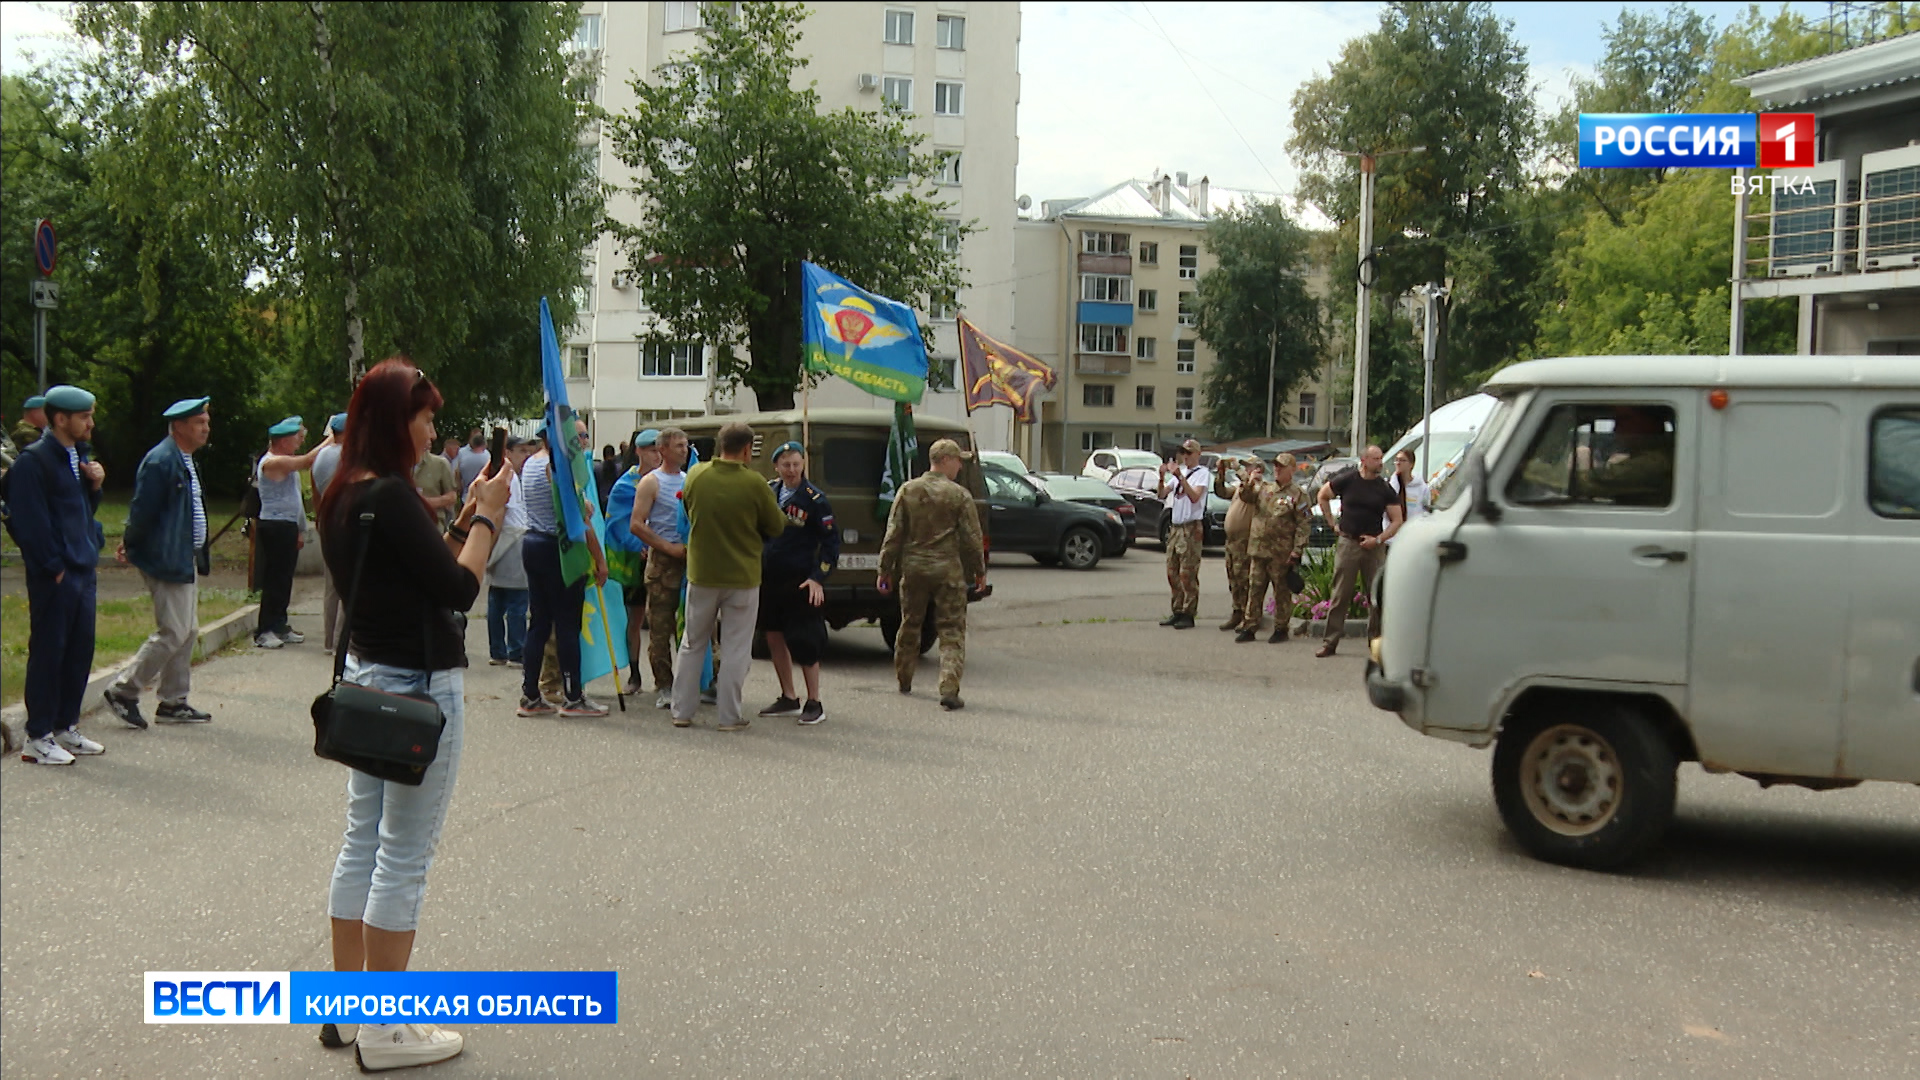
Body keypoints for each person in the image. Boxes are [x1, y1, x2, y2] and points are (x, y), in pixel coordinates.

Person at [316, 357, 509, 1071]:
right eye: (426, 417)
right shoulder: (393, 495)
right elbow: (458, 588)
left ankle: (345, 1010)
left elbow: (417, 564)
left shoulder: (342, 493)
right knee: (403, 853)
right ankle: (385, 1027)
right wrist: (488, 515)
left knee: (360, 841)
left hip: (369, 680)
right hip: (421, 689)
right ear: (400, 421)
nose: (432, 430)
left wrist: (461, 519)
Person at [9, 385, 107, 765]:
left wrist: (94, 486)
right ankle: (38, 735)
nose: (91, 424)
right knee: (50, 651)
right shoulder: (34, 461)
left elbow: (80, 510)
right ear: (61, 419)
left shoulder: (75, 456)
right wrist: (54, 568)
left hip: (82, 567)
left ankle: (66, 725)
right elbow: (30, 521)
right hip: (58, 573)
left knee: (79, 650)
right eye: (84, 417)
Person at [103, 396, 216, 728]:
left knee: (189, 629)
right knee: (173, 631)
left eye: (206, 422)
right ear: (179, 426)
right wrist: (132, 543)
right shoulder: (161, 461)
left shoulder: (184, 458)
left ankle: (172, 701)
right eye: (199, 422)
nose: (206, 428)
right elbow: (142, 509)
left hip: (183, 556)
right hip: (166, 557)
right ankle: (123, 691)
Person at [670, 422, 786, 731]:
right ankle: (729, 715)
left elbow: (688, 508)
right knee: (736, 647)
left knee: (692, 642)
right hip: (742, 575)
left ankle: (682, 710)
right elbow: (776, 526)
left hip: (702, 571)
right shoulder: (755, 484)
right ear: (747, 449)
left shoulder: (696, 475)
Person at [877, 438, 987, 711]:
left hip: (914, 568)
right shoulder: (959, 495)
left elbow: (894, 534)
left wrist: (885, 569)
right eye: (958, 461)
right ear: (946, 461)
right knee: (951, 629)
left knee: (910, 622)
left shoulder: (908, 490)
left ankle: (904, 678)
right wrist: (979, 571)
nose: (960, 466)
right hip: (946, 570)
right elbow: (972, 538)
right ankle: (949, 687)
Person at [516, 420, 610, 718]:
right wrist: (600, 559)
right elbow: (577, 522)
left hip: (533, 543)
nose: (580, 440)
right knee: (568, 624)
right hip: (559, 549)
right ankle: (573, 696)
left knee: (540, 622)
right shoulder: (558, 469)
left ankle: (530, 694)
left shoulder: (532, 462)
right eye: (576, 435)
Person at [757, 442, 840, 725]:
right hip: (770, 578)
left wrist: (818, 577)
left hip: (800, 580)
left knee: (805, 641)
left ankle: (814, 701)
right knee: (773, 635)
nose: (791, 470)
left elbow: (831, 544)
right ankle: (788, 697)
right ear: (776, 467)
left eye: (796, 464)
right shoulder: (769, 492)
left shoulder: (815, 499)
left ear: (803, 465)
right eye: (786, 465)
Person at [1315, 445, 1405, 658]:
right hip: (1348, 543)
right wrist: (1331, 523)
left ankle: (1376, 642)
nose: (1380, 462)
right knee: (1340, 594)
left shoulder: (1384, 488)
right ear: (1364, 460)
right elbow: (1322, 495)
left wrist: (1379, 540)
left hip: (1373, 547)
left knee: (1375, 596)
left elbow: (1397, 519)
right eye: (1376, 458)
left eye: (1381, 458)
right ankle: (1330, 641)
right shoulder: (1347, 480)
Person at [628, 428, 689, 710]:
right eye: (678, 445)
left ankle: (697, 682)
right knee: (661, 629)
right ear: (662, 449)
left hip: (689, 561)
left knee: (693, 626)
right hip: (663, 562)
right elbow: (637, 524)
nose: (684, 450)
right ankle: (663, 684)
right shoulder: (651, 482)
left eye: (685, 445)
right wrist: (667, 547)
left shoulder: (690, 480)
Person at [255, 415, 329, 649]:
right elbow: (307, 461)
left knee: (285, 579)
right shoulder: (271, 462)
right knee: (274, 579)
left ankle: (279, 624)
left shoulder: (285, 460)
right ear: (282, 441)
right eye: (295, 438)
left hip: (287, 525)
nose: (299, 442)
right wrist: (331, 438)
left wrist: (299, 529)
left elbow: (295, 500)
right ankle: (265, 629)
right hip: (274, 525)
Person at [1236, 453, 1313, 644]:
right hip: (1259, 549)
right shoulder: (1264, 488)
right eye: (1276, 466)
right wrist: (1248, 481)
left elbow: (1304, 524)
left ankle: (1280, 628)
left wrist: (1297, 550)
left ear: (1292, 470)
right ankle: (1250, 626)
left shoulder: (1298, 494)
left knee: (1281, 592)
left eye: (1282, 466)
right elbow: (1245, 497)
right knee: (1255, 588)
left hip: (1281, 553)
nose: (1277, 469)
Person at [617, 430, 663, 695]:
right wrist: (639, 545)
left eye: (659, 450)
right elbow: (617, 523)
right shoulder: (626, 485)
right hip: (636, 562)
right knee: (634, 620)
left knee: (662, 621)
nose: (656, 455)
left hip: (665, 560)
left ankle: (664, 676)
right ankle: (634, 675)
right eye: (650, 450)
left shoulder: (670, 480)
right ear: (638, 452)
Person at [485, 436, 535, 667]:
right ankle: (515, 650)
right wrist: (491, 543)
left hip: (504, 536)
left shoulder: (505, 475)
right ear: (508, 452)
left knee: (498, 598)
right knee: (515, 598)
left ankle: (498, 650)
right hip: (511, 536)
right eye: (521, 451)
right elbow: (501, 510)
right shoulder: (509, 477)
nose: (525, 456)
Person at [1156, 439, 1212, 629]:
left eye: (1189, 453)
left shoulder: (1201, 474)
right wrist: (1162, 477)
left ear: (1197, 454)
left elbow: (1195, 496)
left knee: (1187, 573)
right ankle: (1177, 610)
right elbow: (1162, 494)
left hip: (1191, 527)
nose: (1185, 456)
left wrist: (1180, 476)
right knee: (1172, 572)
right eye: (1183, 453)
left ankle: (1189, 613)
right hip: (1176, 527)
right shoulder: (1181, 472)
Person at [313, 413, 349, 652]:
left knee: (331, 586)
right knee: (348, 582)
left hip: (326, 519)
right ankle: (341, 641)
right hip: (346, 520)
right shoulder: (348, 457)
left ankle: (328, 640)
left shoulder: (320, 457)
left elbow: (315, 492)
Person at [1216, 458, 1261, 632]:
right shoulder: (1241, 487)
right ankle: (1237, 611)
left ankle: (1247, 615)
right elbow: (1222, 492)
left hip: (1245, 540)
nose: (1245, 469)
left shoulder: (1259, 487)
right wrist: (1220, 474)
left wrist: (1238, 471)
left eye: (1248, 466)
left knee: (1244, 579)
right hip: (1232, 540)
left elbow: (1250, 493)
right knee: (1233, 578)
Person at [414, 439, 459, 530]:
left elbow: (452, 497)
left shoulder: (440, 464)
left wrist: (425, 502)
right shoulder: (397, 464)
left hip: (432, 526)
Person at [1390, 447, 1430, 530]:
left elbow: (1426, 510)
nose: (1398, 463)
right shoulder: (1390, 486)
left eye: (1402, 460)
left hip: (1412, 531)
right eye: (1396, 460)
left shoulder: (1421, 488)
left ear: (1411, 464)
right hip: (1392, 535)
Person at [454, 429, 490, 502]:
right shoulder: (487, 455)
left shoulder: (461, 453)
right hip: (477, 496)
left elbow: (456, 472)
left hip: (470, 496)